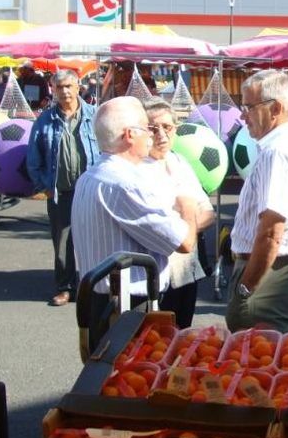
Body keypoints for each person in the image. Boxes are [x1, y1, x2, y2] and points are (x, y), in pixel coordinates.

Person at [71, 97, 198, 345]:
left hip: (102, 304)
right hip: (128, 310)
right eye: (146, 128)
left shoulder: (90, 176)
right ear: (130, 135)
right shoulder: (125, 183)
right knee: (130, 379)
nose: (151, 136)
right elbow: (184, 241)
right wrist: (188, 206)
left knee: (106, 378)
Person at [225, 70, 288, 332]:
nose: (242, 115)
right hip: (281, 271)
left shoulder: (277, 152)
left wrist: (246, 286)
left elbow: (271, 232)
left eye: (248, 106)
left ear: (276, 108)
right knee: (270, 358)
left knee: (254, 357)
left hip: (272, 273)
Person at [27, 70, 101, 306]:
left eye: (69, 86)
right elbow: (33, 157)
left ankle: (96, 286)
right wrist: (43, 186)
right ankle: (66, 287)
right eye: (59, 87)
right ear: (53, 90)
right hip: (60, 192)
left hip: (92, 191)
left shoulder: (95, 115)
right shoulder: (44, 120)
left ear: (78, 86)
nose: (65, 91)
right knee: (62, 242)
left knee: (96, 238)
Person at [142, 100, 215, 328]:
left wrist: (182, 228)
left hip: (187, 267)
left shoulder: (180, 162)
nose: (161, 135)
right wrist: (187, 223)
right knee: (156, 337)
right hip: (157, 271)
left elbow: (209, 213)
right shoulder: (139, 169)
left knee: (183, 331)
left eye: (167, 127)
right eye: (153, 129)